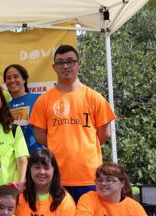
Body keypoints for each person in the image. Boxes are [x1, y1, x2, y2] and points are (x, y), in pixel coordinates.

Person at [30, 45, 117, 202]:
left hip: (89, 177)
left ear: (79, 64)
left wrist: (84, 148)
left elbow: (104, 135)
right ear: (54, 67)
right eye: (60, 62)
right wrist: (59, 146)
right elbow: (40, 135)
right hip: (56, 176)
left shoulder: (94, 97)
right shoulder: (43, 101)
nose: (65, 66)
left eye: (70, 61)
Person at [3, 64, 43, 155]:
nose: (12, 80)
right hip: (16, 157)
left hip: (37, 155)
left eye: (16, 76)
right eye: (8, 78)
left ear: (24, 79)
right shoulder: (4, 107)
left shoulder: (38, 99)